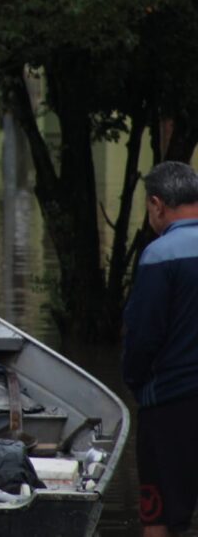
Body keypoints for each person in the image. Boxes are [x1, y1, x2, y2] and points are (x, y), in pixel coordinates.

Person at [122, 160, 198, 537]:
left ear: (157, 204)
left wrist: (133, 380)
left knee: (160, 519)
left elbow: (143, 338)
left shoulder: (158, 255)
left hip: (169, 405)